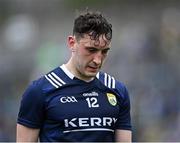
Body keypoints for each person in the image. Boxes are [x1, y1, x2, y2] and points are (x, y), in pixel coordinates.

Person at [16, 10, 132, 142]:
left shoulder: (117, 90)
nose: (98, 60)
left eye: (104, 51)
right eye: (91, 50)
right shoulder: (40, 91)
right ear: (72, 43)